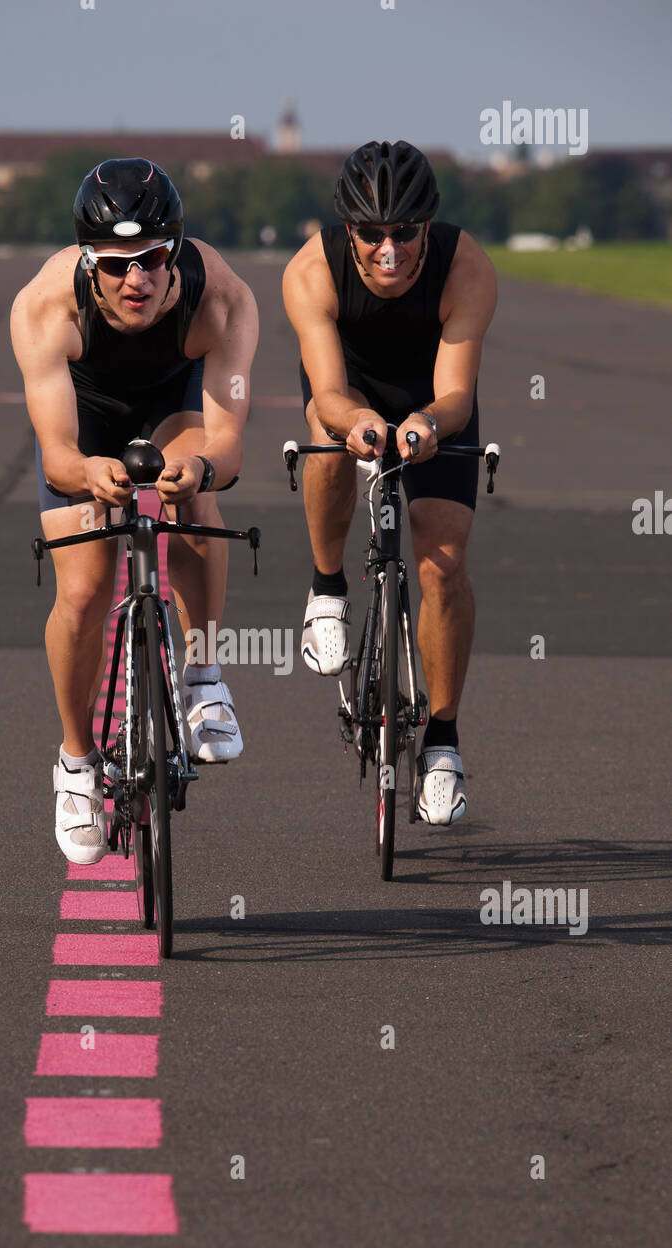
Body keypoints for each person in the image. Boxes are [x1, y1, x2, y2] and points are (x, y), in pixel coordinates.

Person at [11, 158, 258, 864]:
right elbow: (58, 453)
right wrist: (91, 471)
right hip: (84, 421)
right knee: (84, 591)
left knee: (195, 495)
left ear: (174, 251)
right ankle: (76, 761)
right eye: (117, 265)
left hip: (173, 398)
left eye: (153, 259)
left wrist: (202, 465)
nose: (137, 280)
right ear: (88, 260)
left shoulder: (221, 299)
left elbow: (230, 443)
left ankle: (204, 675)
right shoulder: (45, 306)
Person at [282, 139, 497, 825]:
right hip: (349, 391)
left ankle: (442, 742)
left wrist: (429, 424)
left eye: (404, 232)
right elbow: (328, 390)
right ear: (348, 231)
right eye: (371, 234)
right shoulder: (311, 271)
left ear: (425, 227)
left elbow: (457, 395)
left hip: (435, 401)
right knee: (326, 439)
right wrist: (359, 422)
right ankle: (327, 588)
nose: (389, 249)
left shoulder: (467, 269)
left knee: (442, 565)